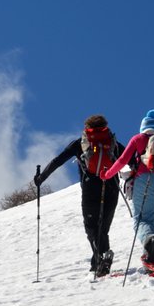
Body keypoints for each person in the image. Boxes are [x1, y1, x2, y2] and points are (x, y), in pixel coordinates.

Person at [34, 114, 124, 276]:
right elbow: (131, 159)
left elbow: (58, 161)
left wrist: (41, 178)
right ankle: (99, 260)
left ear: (86, 128)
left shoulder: (80, 143)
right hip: (111, 187)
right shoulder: (113, 143)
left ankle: (102, 258)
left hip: (90, 189)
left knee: (91, 228)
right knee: (102, 229)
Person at [101, 109, 154, 265]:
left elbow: (122, 160)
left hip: (144, 181)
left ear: (143, 126)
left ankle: (148, 243)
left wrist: (107, 175)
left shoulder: (138, 139)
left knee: (142, 220)